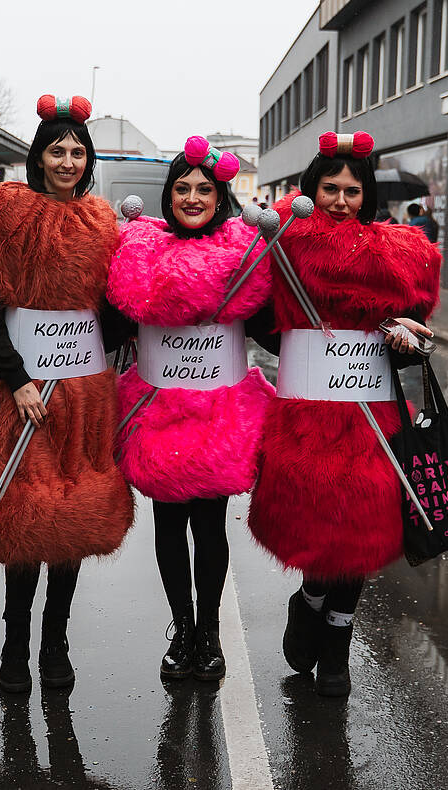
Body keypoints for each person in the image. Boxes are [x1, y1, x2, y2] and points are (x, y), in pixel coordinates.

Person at [0, 94, 134, 694]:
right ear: (38, 157)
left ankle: (55, 642)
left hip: (86, 400)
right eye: (56, 150)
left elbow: (109, 319)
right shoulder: (9, 220)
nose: (67, 160)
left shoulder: (102, 225)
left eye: (77, 151)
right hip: (25, 400)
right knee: (25, 515)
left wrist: (148, 299)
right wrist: (16, 383)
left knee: (71, 512)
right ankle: (14, 645)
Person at [248, 131, 441, 697]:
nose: (339, 200)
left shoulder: (397, 257)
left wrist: (406, 336)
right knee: (316, 519)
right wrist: (304, 350)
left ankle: (337, 638)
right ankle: (308, 601)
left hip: (370, 415)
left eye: (351, 190)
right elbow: (259, 316)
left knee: (363, 522)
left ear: (367, 195)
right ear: (311, 190)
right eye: (329, 188)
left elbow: (415, 329)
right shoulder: (287, 246)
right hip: (309, 410)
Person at [108, 136, 275, 681]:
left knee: (209, 528)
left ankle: (209, 631)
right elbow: (110, 320)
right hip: (161, 418)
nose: (193, 197)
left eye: (204, 188)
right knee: (167, 524)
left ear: (220, 194)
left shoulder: (245, 252)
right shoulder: (141, 252)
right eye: (181, 188)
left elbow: (273, 327)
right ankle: (182, 627)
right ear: (168, 195)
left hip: (217, 422)